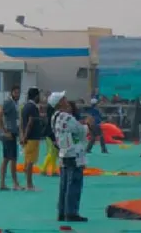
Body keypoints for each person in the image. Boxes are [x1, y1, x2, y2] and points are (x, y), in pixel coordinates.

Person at [50, 92, 87, 223]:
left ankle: (62, 211)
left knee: (64, 184)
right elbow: (80, 131)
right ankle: (71, 212)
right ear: (60, 102)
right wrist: (86, 125)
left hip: (63, 152)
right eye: (64, 98)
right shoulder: (67, 117)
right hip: (73, 153)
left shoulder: (54, 117)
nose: (66, 100)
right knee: (74, 184)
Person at [0, 85, 21, 191]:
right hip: (9, 134)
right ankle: (15, 183)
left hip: (13, 133)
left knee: (7, 159)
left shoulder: (15, 103)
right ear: (11, 93)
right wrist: (4, 130)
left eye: (18, 92)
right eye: (15, 92)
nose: (17, 94)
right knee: (12, 159)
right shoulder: (8, 103)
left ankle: (2, 183)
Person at [18, 87, 42, 191]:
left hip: (28, 138)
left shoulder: (25, 107)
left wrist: (22, 135)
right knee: (30, 162)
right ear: (36, 96)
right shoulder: (32, 107)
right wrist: (25, 136)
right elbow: (30, 123)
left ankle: (28, 183)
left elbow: (21, 123)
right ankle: (29, 184)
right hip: (32, 138)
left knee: (27, 161)